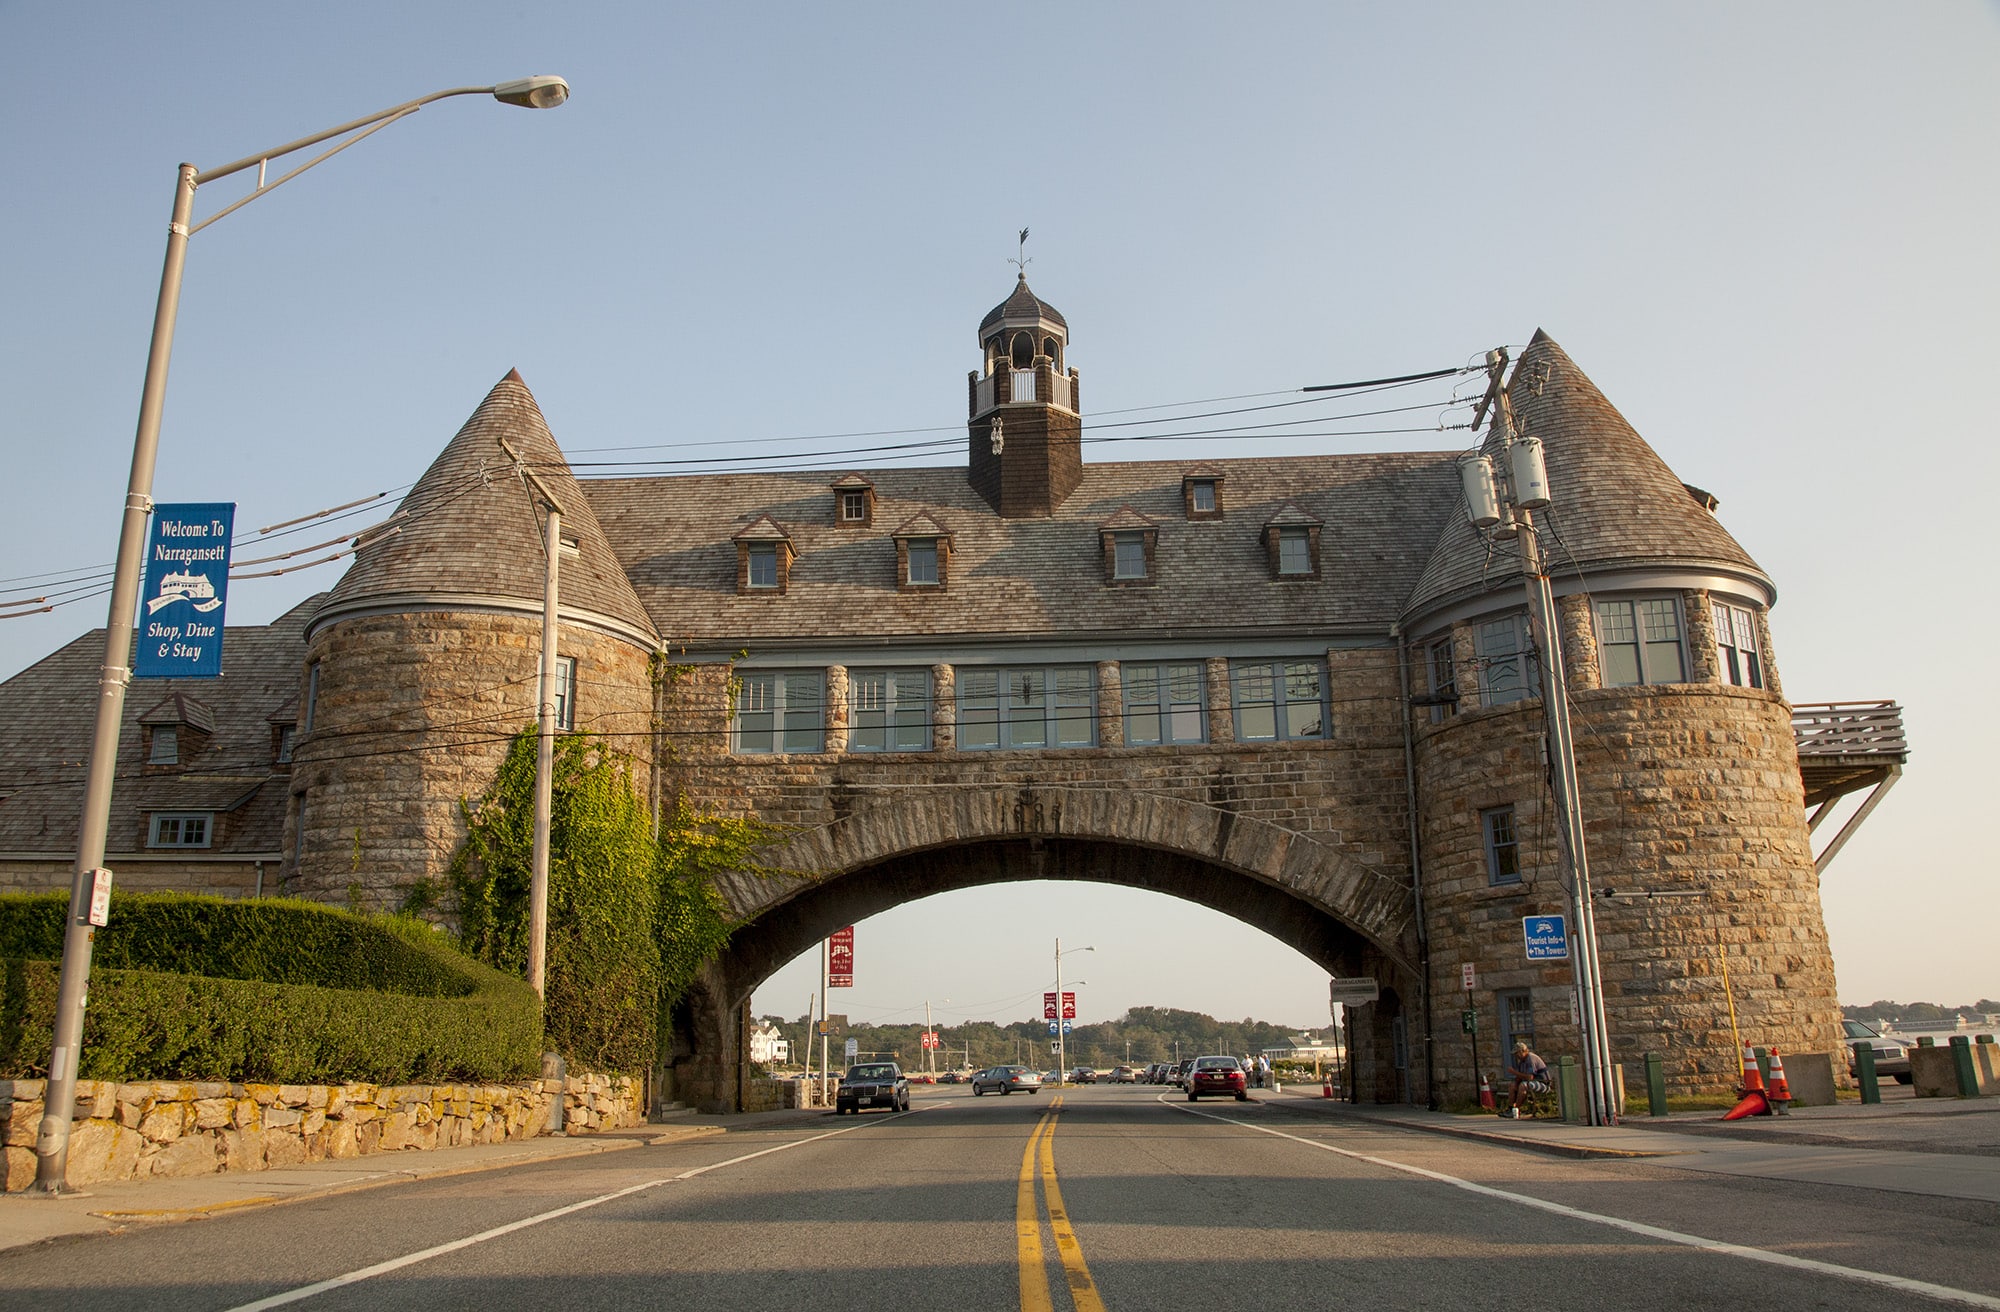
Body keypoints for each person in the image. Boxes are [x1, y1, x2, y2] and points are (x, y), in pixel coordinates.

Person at [1502, 1040, 1549, 1118]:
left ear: (1522, 1051)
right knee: (1513, 1085)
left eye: (1517, 1053)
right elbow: (1520, 1076)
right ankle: (1510, 1109)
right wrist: (1515, 1084)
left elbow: (1530, 1077)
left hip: (1542, 1082)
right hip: (1531, 1082)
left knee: (1523, 1086)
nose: (1516, 1056)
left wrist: (1514, 1072)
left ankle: (1517, 1109)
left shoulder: (1531, 1058)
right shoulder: (1522, 1062)